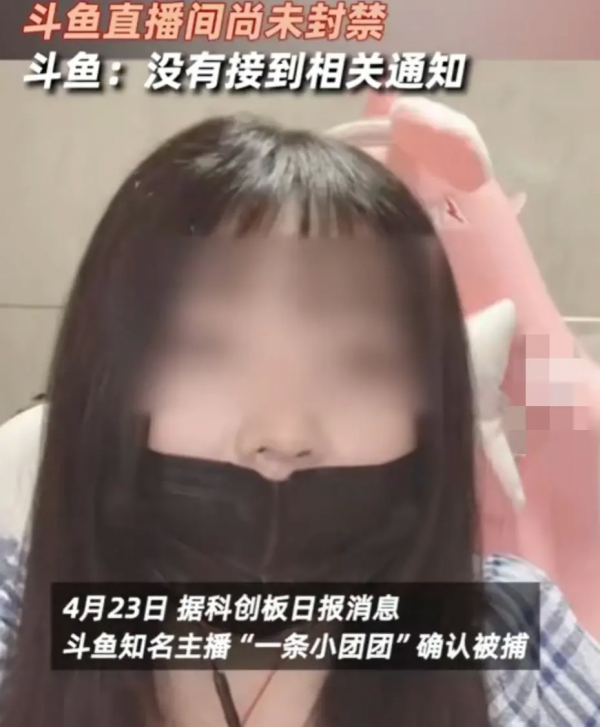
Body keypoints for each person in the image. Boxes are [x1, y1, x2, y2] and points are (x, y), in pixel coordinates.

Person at [0, 114, 598, 727]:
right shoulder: (21, 608)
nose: (283, 437)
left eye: (360, 361)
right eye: (205, 350)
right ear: (106, 377)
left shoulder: (505, 634)